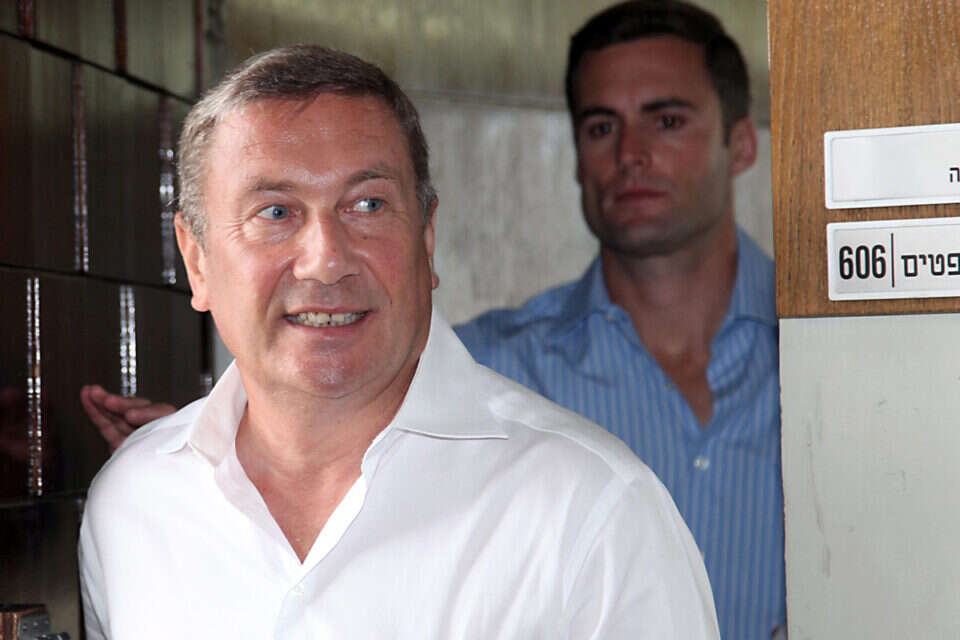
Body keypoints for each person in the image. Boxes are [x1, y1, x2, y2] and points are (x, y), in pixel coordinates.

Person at [78, 45, 719, 638]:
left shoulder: (594, 512)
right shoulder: (133, 507)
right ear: (197, 261)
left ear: (427, 238)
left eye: (368, 205)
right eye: (275, 212)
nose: (326, 261)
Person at [457, 3, 784, 638]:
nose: (631, 153)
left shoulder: (839, 363)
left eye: (667, 120)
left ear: (742, 144)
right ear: (578, 158)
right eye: (602, 127)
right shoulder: (480, 375)